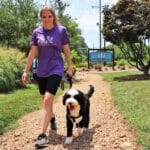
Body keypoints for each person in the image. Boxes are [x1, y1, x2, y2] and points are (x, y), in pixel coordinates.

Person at [21, 5, 72, 147]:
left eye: (49, 16)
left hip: (56, 68)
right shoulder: (37, 32)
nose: (47, 19)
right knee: (45, 99)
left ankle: (42, 135)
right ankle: (52, 118)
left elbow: (66, 49)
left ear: (54, 17)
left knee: (48, 99)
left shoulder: (61, 31)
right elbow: (33, 53)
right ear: (41, 18)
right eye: (44, 17)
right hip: (42, 70)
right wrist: (26, 70)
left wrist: (69, 67)